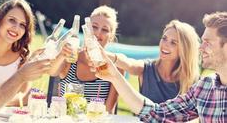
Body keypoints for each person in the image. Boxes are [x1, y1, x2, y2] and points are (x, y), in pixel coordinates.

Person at [94, 12, 227, 122]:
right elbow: (158, 114)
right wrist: (115, 75)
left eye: (208, 42)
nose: (201, 48)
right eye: (164, 38)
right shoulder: (203, 88)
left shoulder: (194, 81)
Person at [50, 5, 123, 114]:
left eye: (105, 29)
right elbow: (52, 72)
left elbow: (108, 111)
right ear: (86, 29)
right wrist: (61, 54)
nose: (98, 33)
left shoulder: (116, 67)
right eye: (94, 27)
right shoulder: (72, 57)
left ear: (111, 36)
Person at [107, 20, 200, 103]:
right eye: (164, 38)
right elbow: (128, 63)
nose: (165, 45)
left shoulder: (191, 79)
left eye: (173, 43)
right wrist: (103, 54)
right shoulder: (147, 68)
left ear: (184, 50)